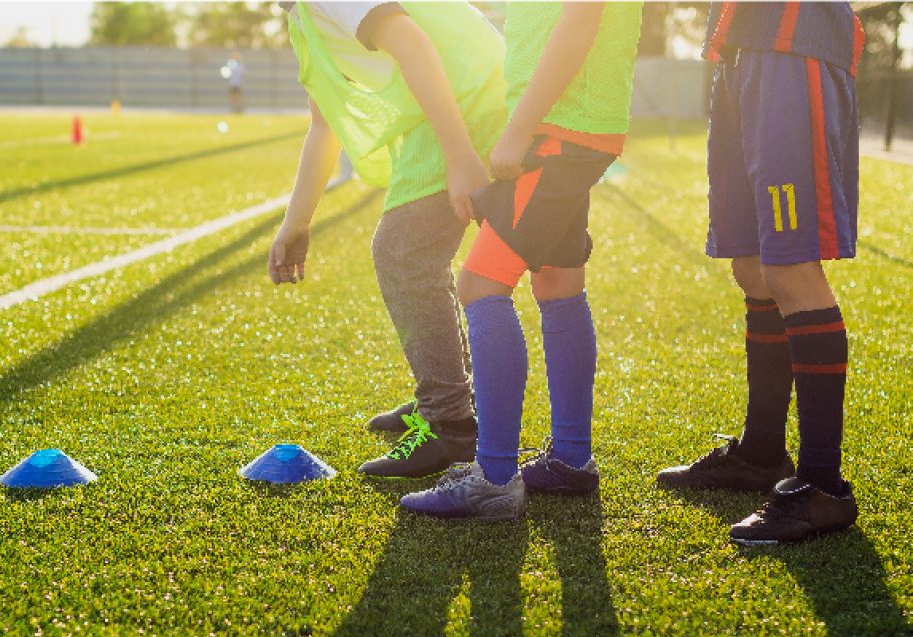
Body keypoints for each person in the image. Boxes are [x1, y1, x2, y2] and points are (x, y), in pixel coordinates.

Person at [401, 1, 643, 520]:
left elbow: (582, 17)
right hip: (573, 122)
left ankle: (493, 476)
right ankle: (572, 461)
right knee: (557, 282)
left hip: (559, 126)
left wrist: (520, 127)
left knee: (480, 285)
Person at [656, 2, 865, 545]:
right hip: (739, 51)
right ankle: (762, 451)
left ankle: (822, 484)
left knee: (791, 267)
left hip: (793, 47)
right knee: (751, 264)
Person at [269, 1, 506, 477]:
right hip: (457, 96)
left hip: (466, 97)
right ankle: (449, 401)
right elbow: (325, 122)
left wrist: (460, 156)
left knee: (403, 252)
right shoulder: (300, 14)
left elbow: (412, 42)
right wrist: (298, 220)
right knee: (411, 253)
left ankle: (452, 423)